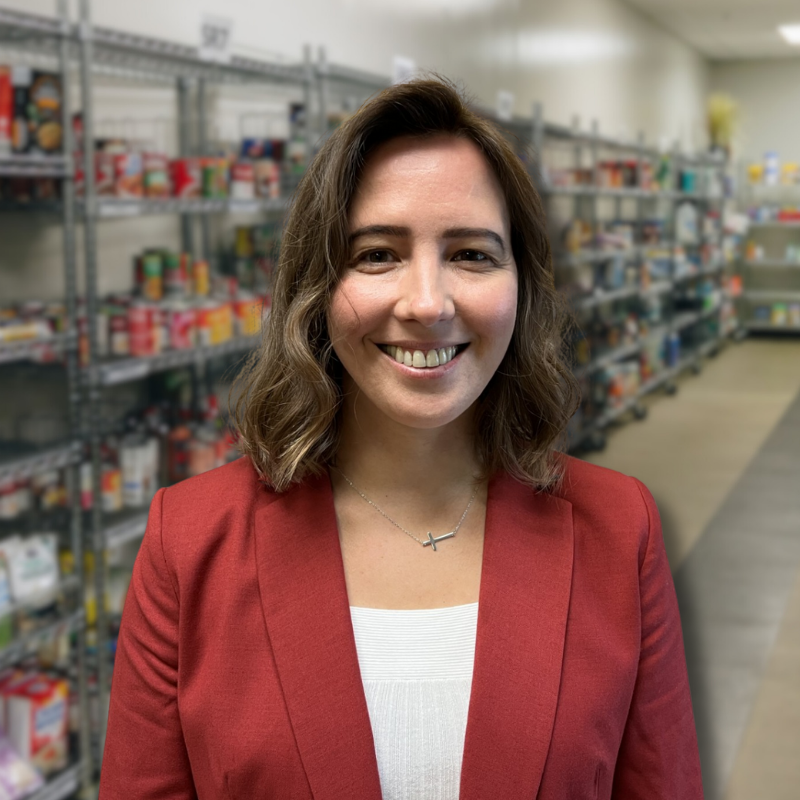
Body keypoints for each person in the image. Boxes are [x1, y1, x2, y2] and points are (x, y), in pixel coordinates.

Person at [99, 78, 703, 800]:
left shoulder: (618, 530)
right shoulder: (191, 543)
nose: (426, 302)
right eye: (378, 254)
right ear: (315, 291)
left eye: (472, 254)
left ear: (523, 287)